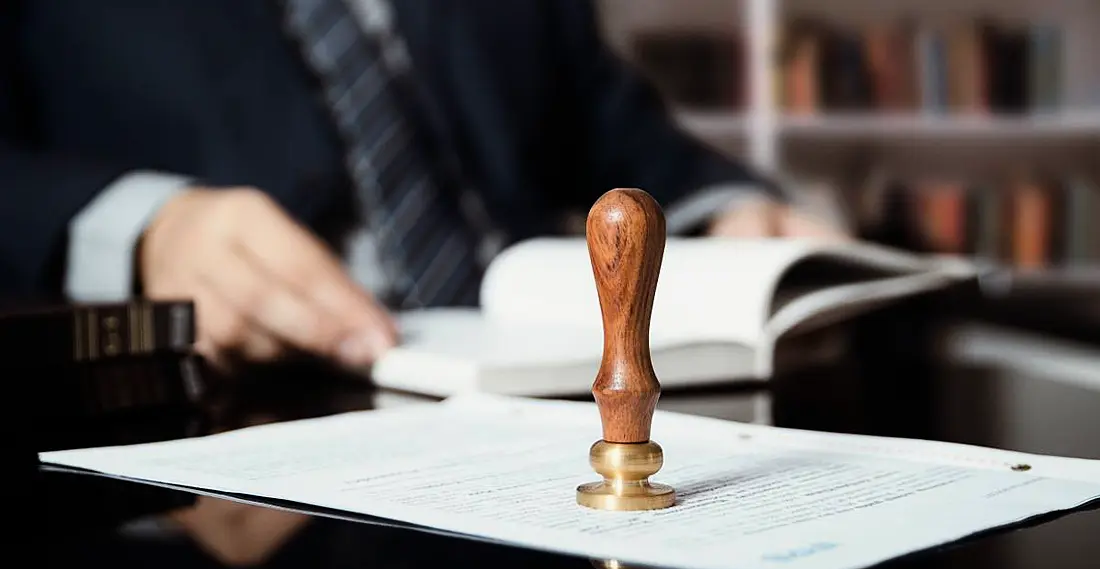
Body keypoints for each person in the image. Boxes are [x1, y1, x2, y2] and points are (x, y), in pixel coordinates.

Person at [0, 0, 844, 372]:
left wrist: (734, 211)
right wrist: (138, 228)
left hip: (535, 380)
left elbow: (623, 139)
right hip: (237, 408)